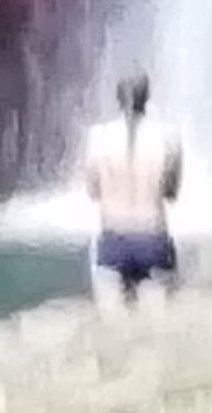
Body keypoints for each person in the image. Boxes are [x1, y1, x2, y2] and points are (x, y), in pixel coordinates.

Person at [81, 71, 183, 310]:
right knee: (158, 320)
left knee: (112, 319)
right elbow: (171, 193)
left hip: (112, 241)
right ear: (147, 97)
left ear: (118, 98)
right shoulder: (169, 137)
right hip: (153, 239)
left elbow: (93, 192)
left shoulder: (98, 137)